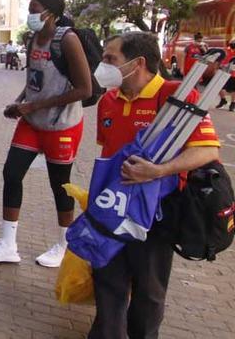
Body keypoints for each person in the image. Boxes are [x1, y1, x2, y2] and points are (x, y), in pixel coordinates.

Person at [90, 31, 220, 338]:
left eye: (111, 58)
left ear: (138, 63)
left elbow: (208, 151)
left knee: (148, 293)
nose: (103, 65)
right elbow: (108, 152)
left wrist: (159, 170)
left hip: (156, 213)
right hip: (113, 208)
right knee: (108, 285)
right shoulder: (108, 101)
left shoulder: (177, 96)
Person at [0, 0, 92, 267]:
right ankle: (8, 244)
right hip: (32, 121)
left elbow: (84, 89)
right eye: (29, 8)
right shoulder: (32, 40)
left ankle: (64, 245)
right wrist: (18, 103)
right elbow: (33, 82)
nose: (30, 15)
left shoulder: (68, 40)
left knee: (59, 185)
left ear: (51, 12)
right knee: (11, 173)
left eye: (34, 8)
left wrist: (36, 106)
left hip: (62, 125)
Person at [216, 39, 235, 111]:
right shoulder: (227, 51)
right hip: (224, 72)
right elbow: (222, 59)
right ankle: (223, 100)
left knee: (233, 90)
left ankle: (232, 104)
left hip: (233, 74)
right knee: (219, 87)